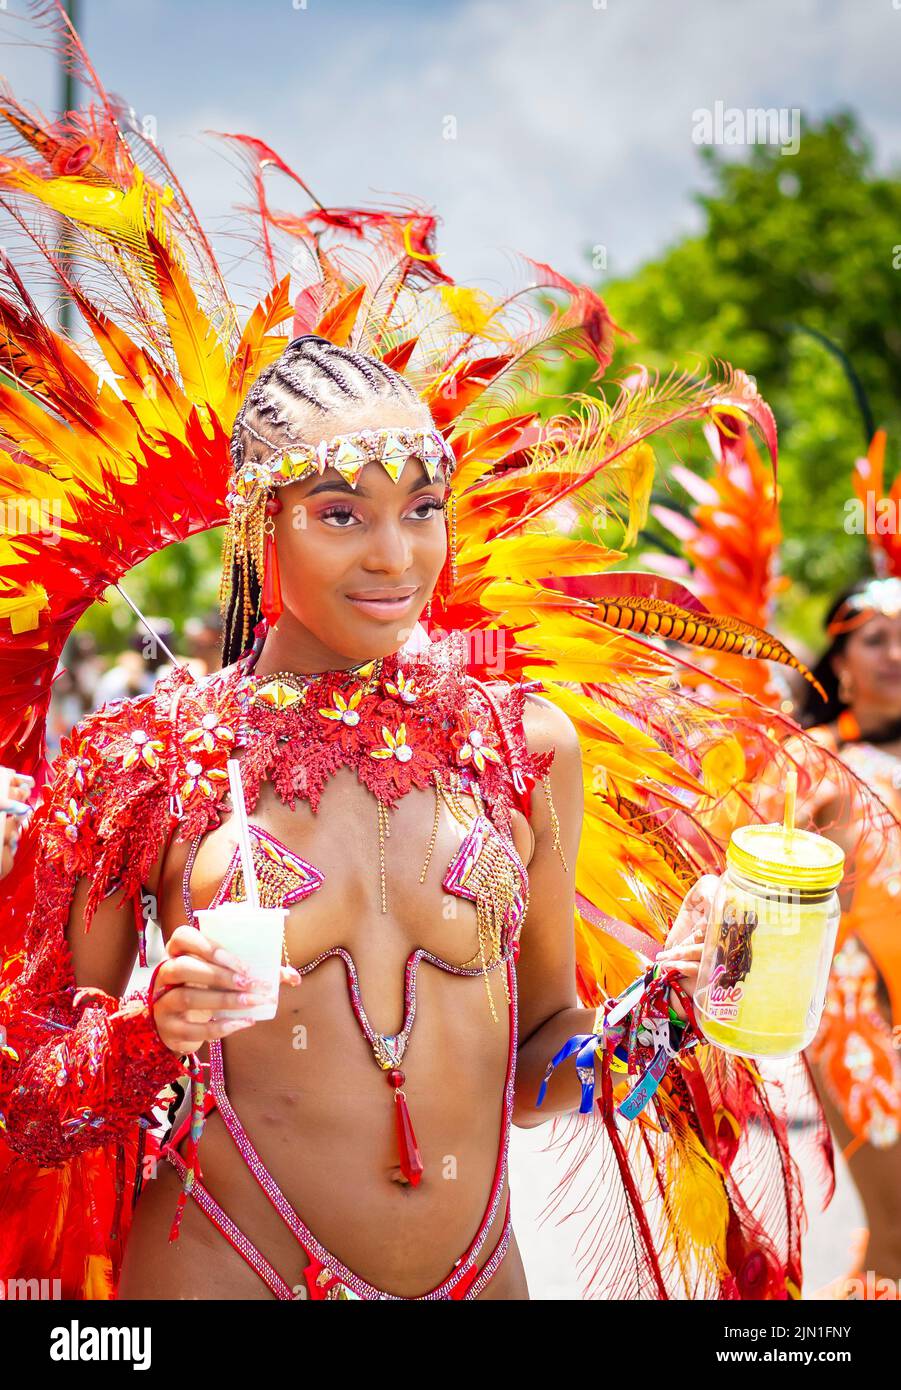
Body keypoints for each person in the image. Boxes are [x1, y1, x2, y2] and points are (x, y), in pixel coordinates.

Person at [0, 7, 822, 1299]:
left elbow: (543, 1067)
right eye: (342, 515)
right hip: (222, 1265)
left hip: (478, 1271)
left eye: (419, 508)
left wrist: (663, 1009)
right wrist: (147, 1034)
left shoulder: (521, 744)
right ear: (257, 524)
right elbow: (24, 1079)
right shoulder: (141, 763)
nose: (396, 556)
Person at [788, 576, 901, 1294]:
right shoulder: (816, 764)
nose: (896, 653)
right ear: (839, 663)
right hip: (863, 1024)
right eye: (875, 639)